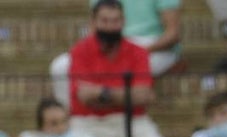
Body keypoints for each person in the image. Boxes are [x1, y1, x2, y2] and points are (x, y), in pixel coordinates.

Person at [66, 0, 169, 137]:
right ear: (93, 22)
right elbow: (84, 96)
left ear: (123, 21)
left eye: (115, 21)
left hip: (132, 121)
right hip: (89, 122)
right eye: (104, 21)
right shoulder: (80, 51)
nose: (110, 27)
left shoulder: (138, 52)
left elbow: (143, 95)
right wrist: (127, 96)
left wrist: (101, 94)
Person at [50, 0, 183, 106]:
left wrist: (136, 53)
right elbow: (95, 28)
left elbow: (173, 34)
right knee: (60, 66)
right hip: (110, 43)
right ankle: (67, 119)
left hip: (152, 46)